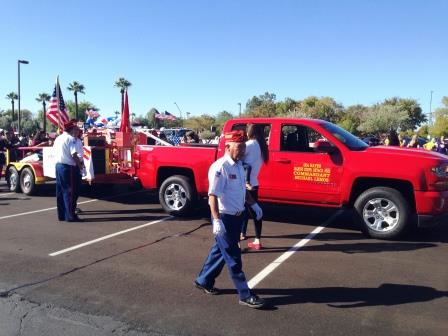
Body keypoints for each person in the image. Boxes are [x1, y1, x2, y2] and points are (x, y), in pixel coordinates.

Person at [195, 130, 265, 309]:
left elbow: (243, 190)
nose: (242, 150)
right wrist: (216, 220)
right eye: (239, 147)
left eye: (243, 147)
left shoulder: (240, 165)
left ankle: (204, 280)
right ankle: (245, 294)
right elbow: (212, 196)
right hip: (224, 218)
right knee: (233, 257)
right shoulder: (220, 167)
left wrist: (254, 205)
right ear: (227, 147)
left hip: (237, 217)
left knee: (220, 251)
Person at [240, 124, 269, 250]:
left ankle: (238, 242)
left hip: (244, 184)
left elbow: (236, 156)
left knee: (239, 212)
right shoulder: (262, 146)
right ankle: (256, 239)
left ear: (250, 132)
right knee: (255, 212)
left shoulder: (249, 145)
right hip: (254, 183)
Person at [53, 120, 84, 222]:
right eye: (75, 128)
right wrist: (80, 166)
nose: (77, 130)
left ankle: (62, 215)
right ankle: (70, 215)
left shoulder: (58, 138)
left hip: (59, 166)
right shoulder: (71, 139)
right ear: (71, 129)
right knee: (70, 192)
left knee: (61, 192)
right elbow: (74, 154)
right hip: (68, 167)